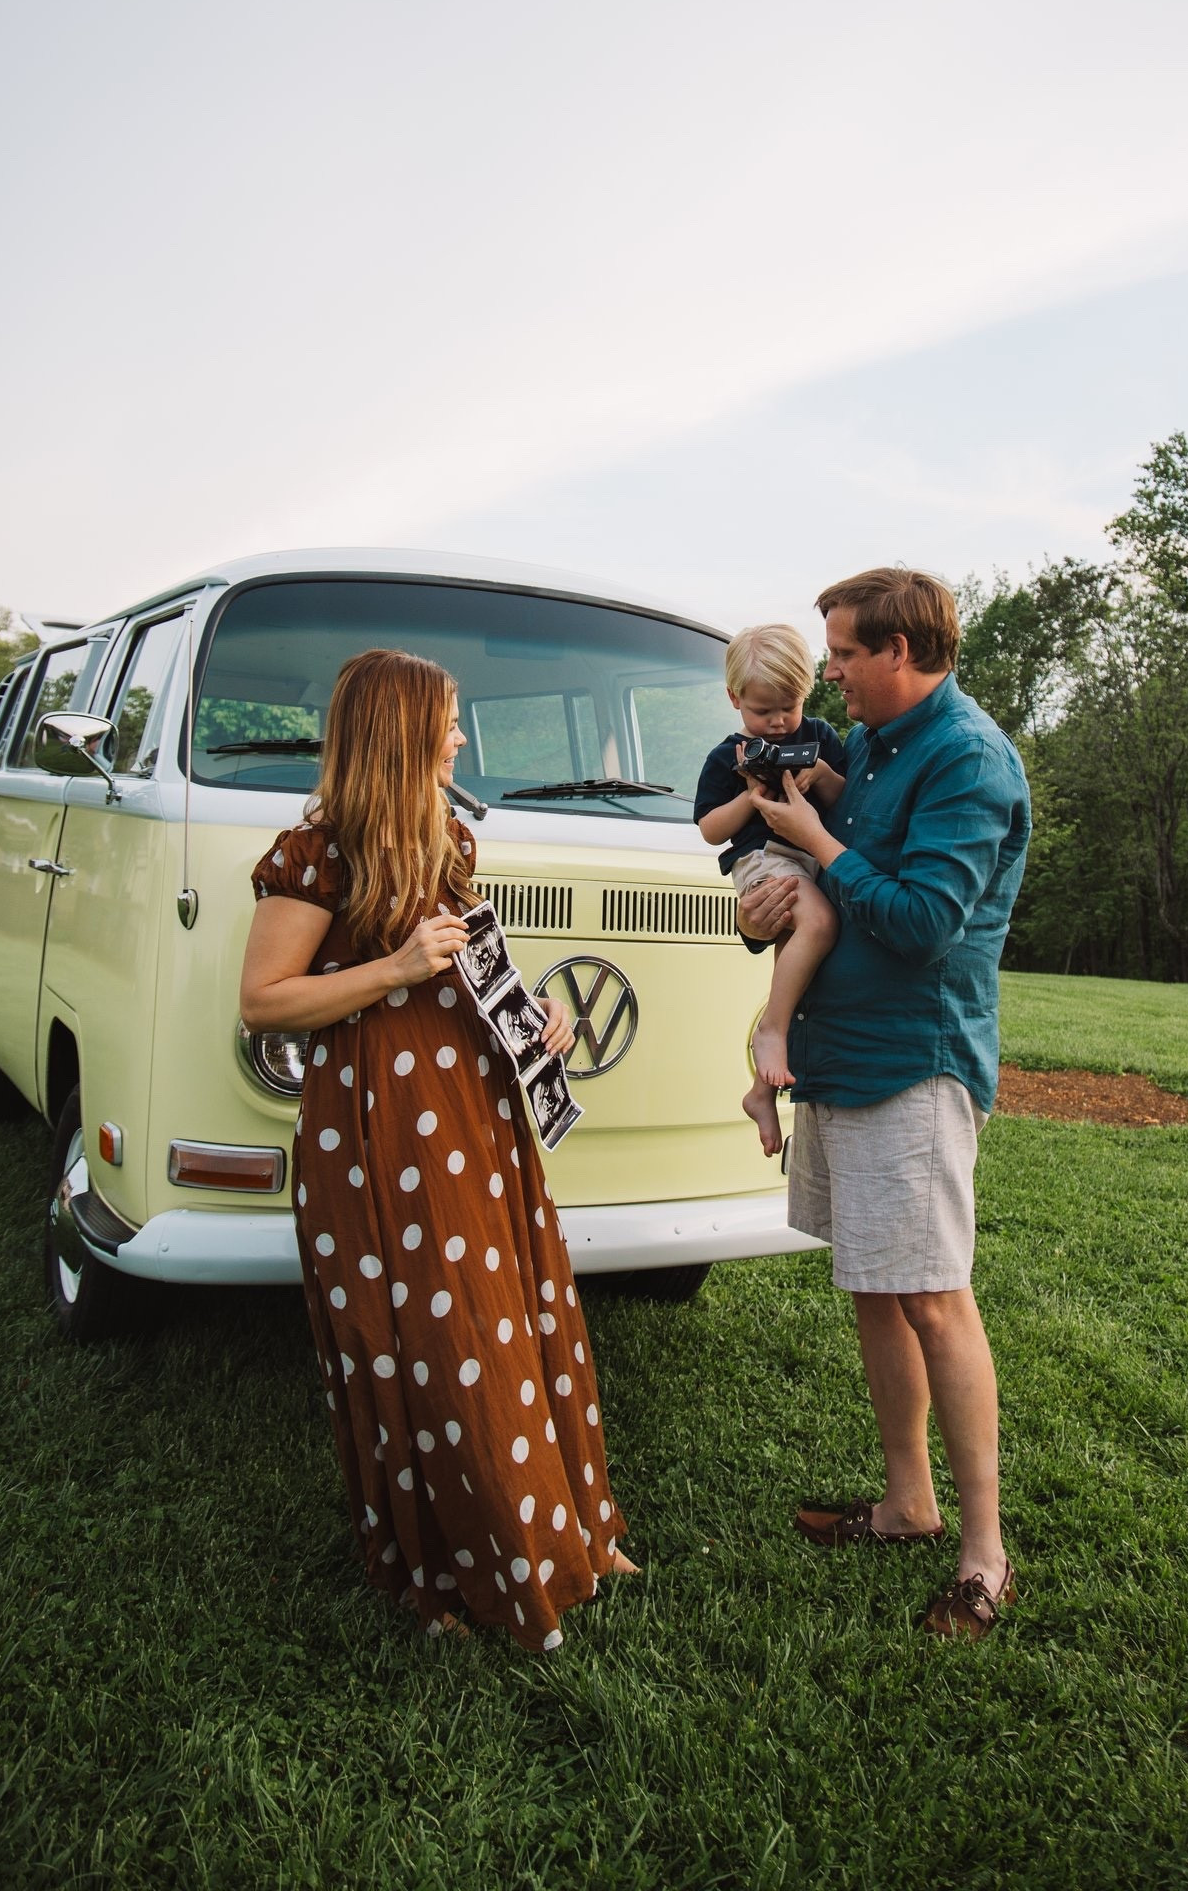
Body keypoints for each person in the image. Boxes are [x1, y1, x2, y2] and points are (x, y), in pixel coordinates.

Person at [240, 648, 635, 1653]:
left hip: (471, 1105)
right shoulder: (312, 854)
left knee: (511, 1313)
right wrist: (393, 968)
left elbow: (469, 968)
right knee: (429, 1337)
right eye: (448, 720)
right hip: (377, 1119)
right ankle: (458, 1563)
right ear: (400, 733)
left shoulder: (448, 837)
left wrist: (534, 1015)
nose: (461, 736)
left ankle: (565, 1532)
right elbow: (264, 1000)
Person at [737, 570, 1030, 1640]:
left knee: (933, 1297)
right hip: (842, 1054)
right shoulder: (865, 748)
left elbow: (918, 923)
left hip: (915, 1063)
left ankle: (984, 1555)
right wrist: (765, 916)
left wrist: (818, 846)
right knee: (874, 1284)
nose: (830, 674)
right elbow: (828, 903)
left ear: (900, 650)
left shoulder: (967, 759)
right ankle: (908, 1503)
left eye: (846, 653)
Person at [693, 624, 847, 1156]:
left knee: (795, 967)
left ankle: (761, 1092)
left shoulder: (819, 738)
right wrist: (750, 796)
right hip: (763, 858)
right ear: (734, 699)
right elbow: (710, 829)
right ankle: (771, 1032)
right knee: (819, 924)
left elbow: (847, 801)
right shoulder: (728, 756)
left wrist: (820, 775)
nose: (779, 722)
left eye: (790, 707)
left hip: (811, 859)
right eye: (764, 711)